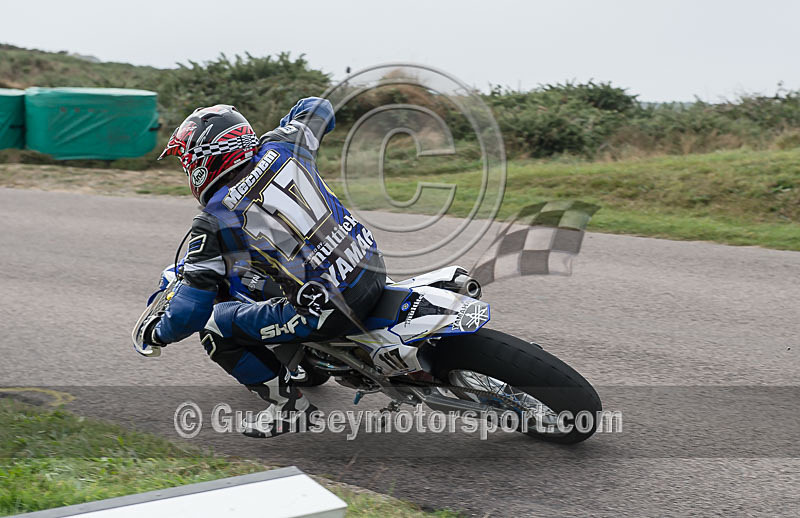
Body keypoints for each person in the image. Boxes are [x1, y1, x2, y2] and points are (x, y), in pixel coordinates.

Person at [143, 99, 386, 438]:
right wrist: (283, 126)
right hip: (371, 265)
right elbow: (318, 106)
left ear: (206, 161)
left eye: (189, 163)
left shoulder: (215, 219)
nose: (188, 172)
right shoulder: (286, 145)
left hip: (332, 309)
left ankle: (290, 408)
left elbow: (189, 313)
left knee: (215, 329)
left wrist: (157, 333)